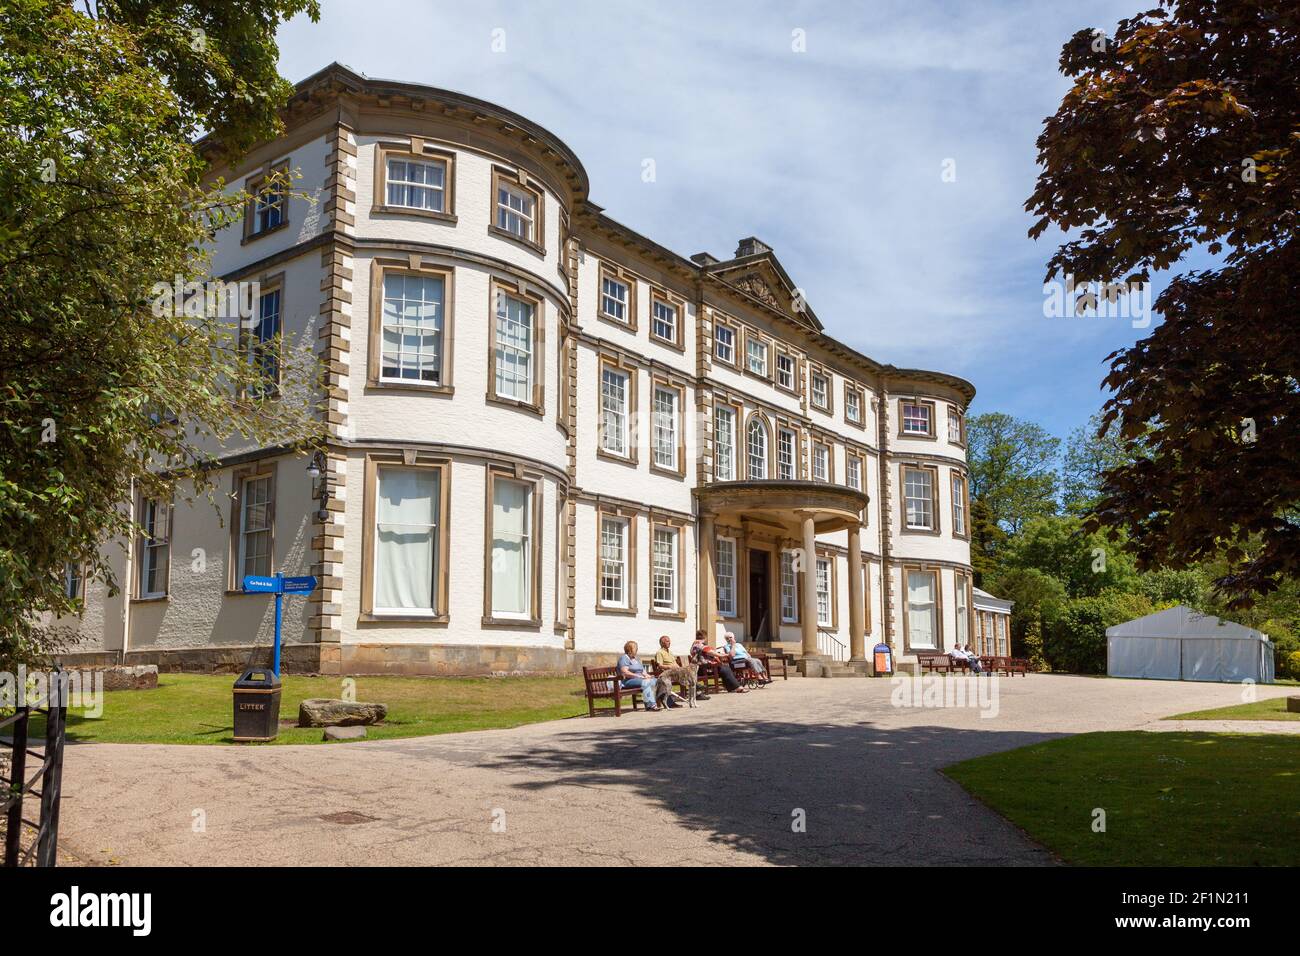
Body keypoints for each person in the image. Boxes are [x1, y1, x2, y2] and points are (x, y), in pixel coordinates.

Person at [616, 640, 660, 710]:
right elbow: (625, 673)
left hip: (639, 679)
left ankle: (668, 703)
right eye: (635, 648)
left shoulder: (635, 659)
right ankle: (651, 705)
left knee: (658, 681)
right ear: (629, 649)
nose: (637, 649)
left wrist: (647, 676)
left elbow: (643, 671)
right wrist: (639, 677)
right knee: (646, 682)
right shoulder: (624, 658)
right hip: (628, 681)